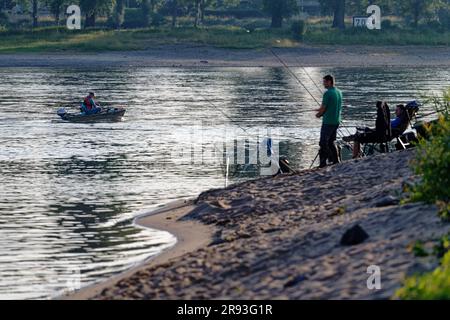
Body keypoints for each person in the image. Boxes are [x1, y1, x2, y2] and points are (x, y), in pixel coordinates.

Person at [315, 75, 343, 168]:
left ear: (329, 82)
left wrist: (318, 114)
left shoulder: (327, 93)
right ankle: (336, 160)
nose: (323, 84)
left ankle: (323, 163)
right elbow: (331, 106)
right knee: (331, 142)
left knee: (323, 143)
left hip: (328, 122)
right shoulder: (339, 92)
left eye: (324, 82)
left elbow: (323, 109)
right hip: (336, 121)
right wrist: (319, 110)